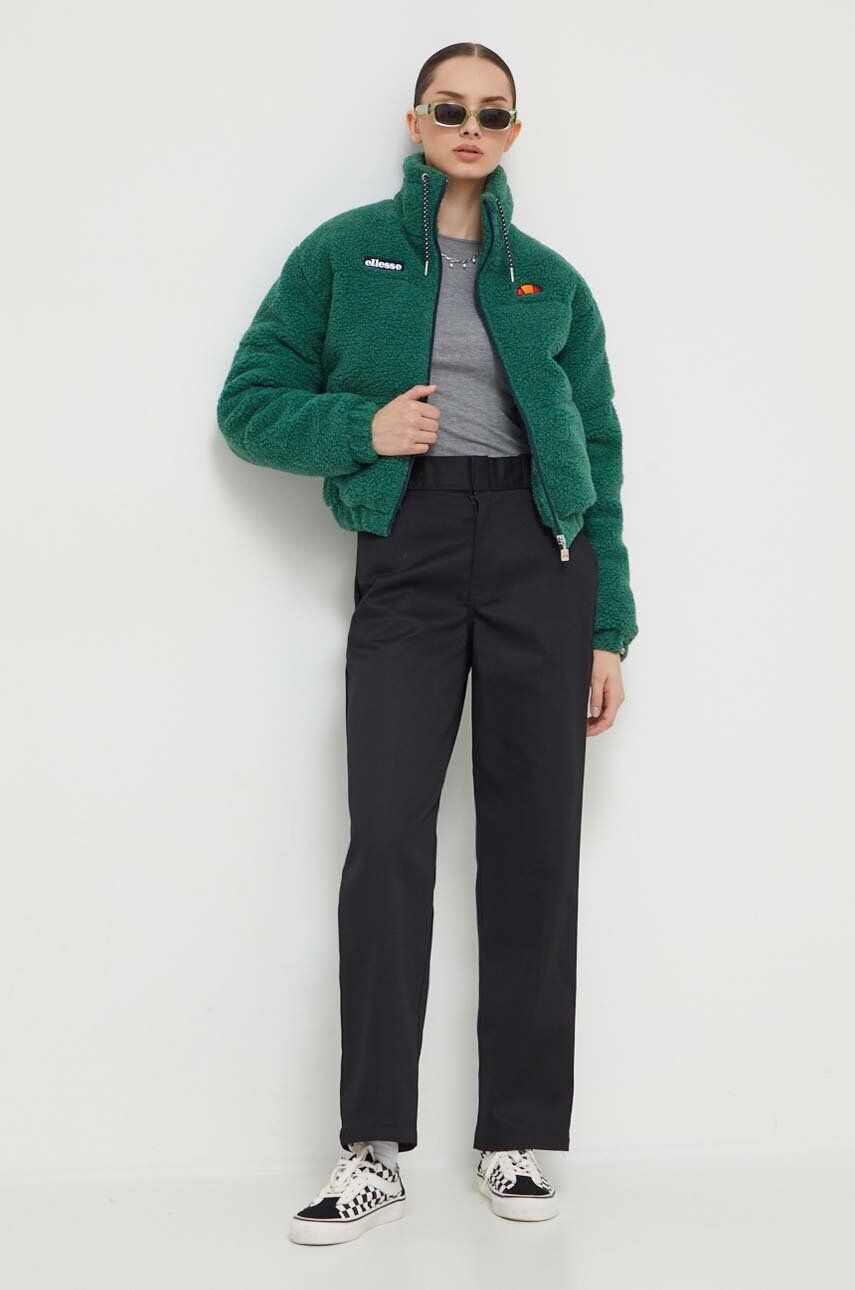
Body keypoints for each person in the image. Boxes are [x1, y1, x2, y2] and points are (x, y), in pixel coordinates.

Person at [217, 41, 638, 1245]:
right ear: (416, 122)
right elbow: (247, 405)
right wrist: (364, 427)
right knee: (389, 840)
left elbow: (601, 457)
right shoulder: (343, 252)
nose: (470, 126)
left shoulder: (550, 280)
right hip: (407, 546)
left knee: (534, 844)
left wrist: (607, 624)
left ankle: (515, 1136)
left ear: (513, 132)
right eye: (449, 108)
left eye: (492, 113)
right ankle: (372, 1150)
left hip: (542, 557)